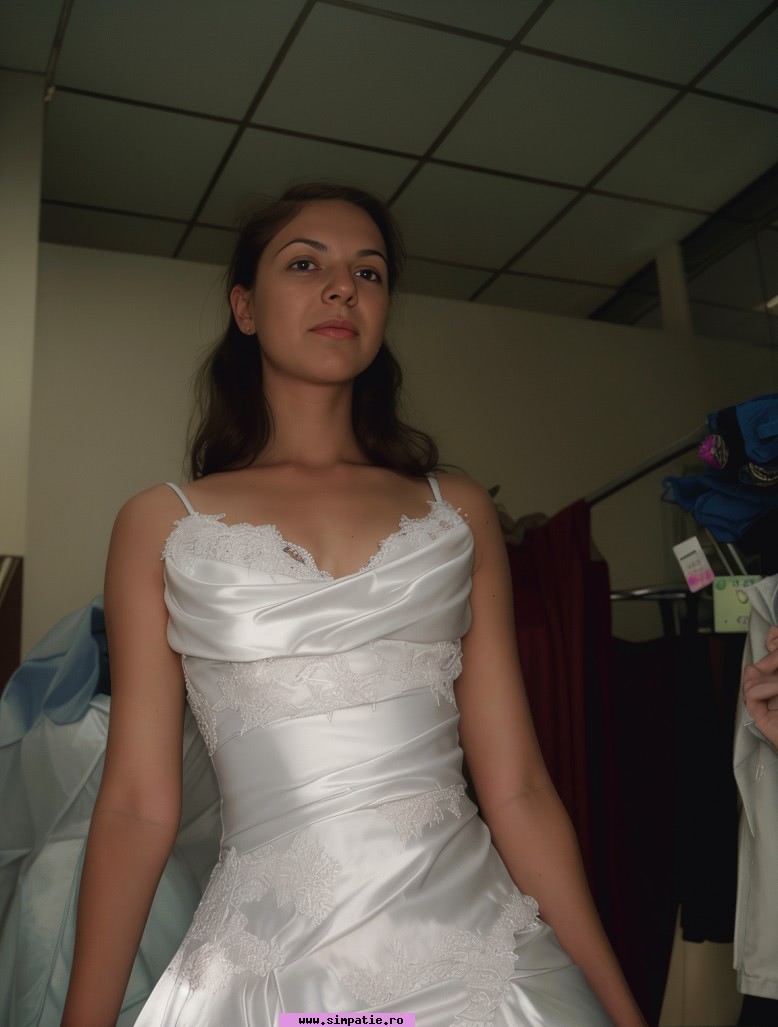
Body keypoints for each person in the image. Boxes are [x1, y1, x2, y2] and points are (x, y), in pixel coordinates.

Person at [61, 182, 646, 1027]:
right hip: (268, 970)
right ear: (245, 306)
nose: (343, 288)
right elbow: (135, 806)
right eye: (307, 265)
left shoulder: (457, 511)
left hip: (481, 963)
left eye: (368, 273)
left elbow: (518, 787)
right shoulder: (162, 524)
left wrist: (622, 1008)